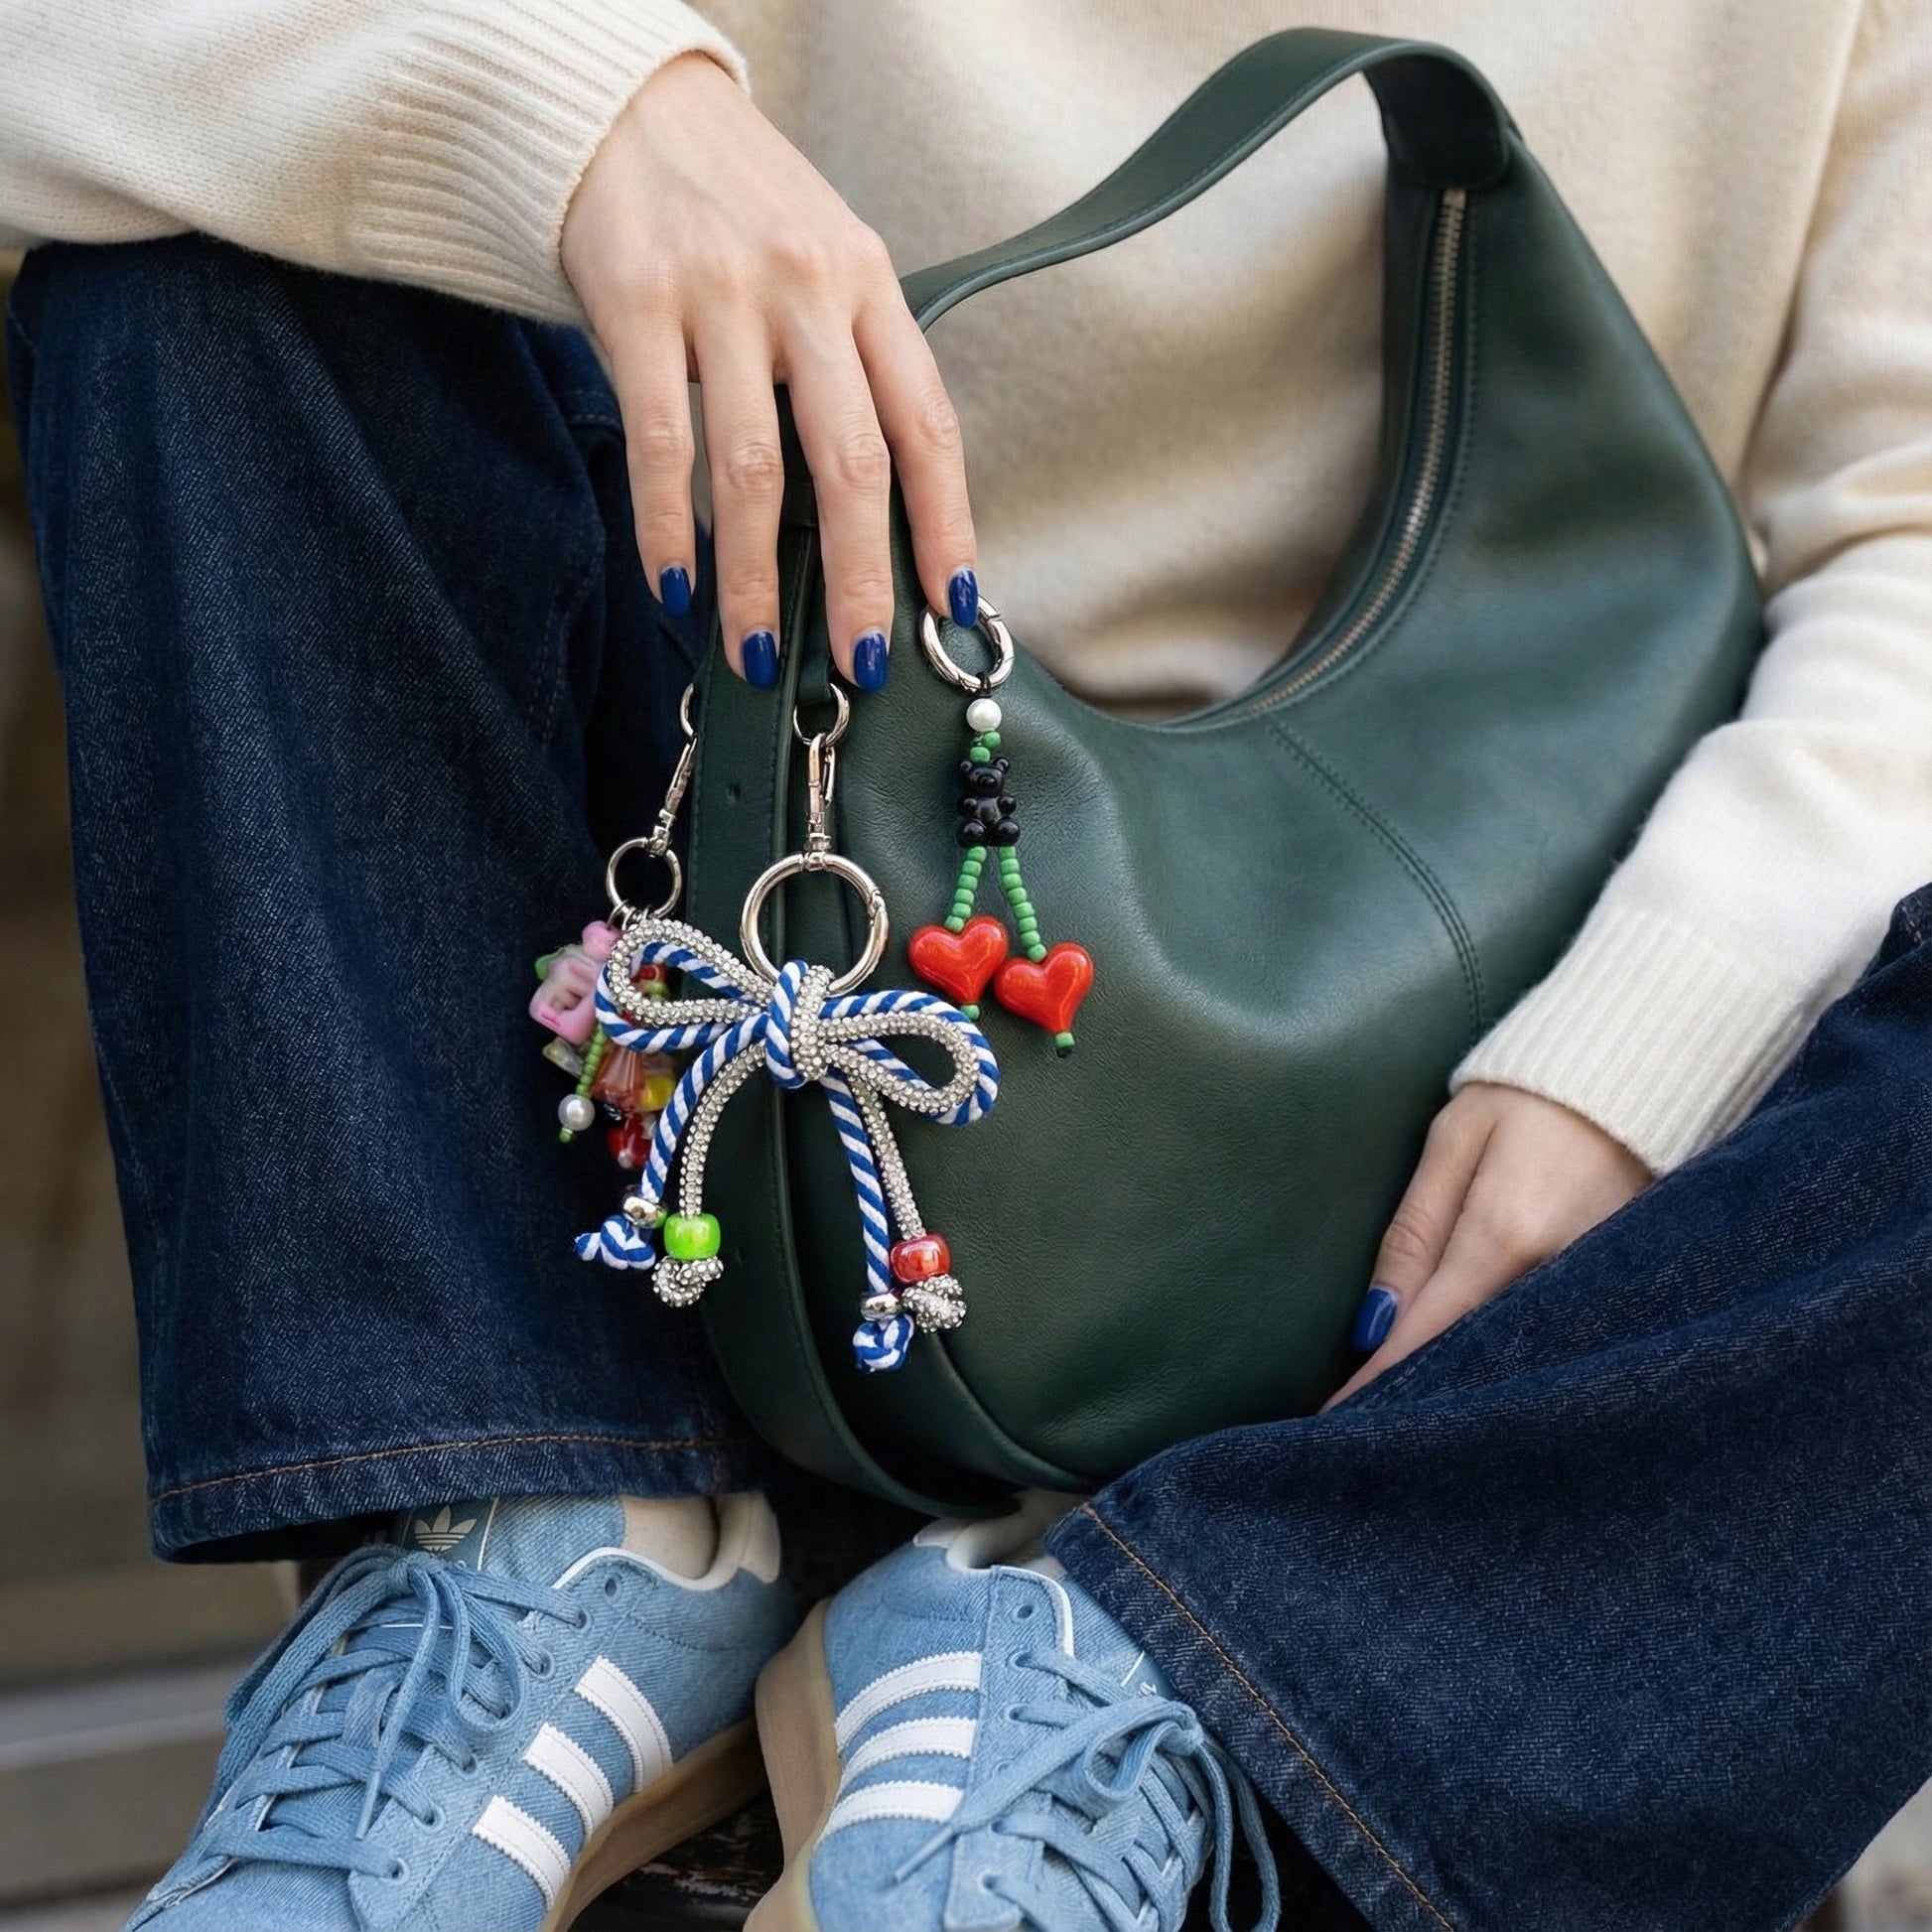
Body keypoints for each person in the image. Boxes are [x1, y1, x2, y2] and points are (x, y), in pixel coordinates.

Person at [3, 3, 1928, 1928]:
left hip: (1454, 1252)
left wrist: (1652, 1029)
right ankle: (548, 1545)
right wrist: (594, 122)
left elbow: (1907, 519)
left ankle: (1180, 1712)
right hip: (709, 1116)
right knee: (210, 237)